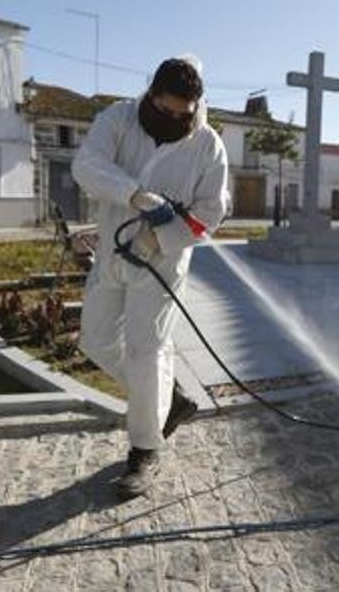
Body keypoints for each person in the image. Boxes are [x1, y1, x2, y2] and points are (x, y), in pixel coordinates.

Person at [73, 56, 229, 499]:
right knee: (97, 340)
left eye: (186, 114)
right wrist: (135, 195)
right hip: (112, 252)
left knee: (146, 350)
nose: (178, 121)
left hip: (161, 263)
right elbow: (86, 165)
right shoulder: (118, 119)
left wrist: (160, 241)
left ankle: (145, 450)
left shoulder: (207, 143)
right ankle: (169, 399)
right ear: (151, 96)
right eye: (168, 112)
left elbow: (211, 211)